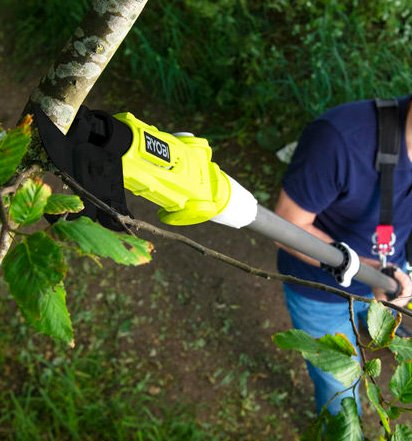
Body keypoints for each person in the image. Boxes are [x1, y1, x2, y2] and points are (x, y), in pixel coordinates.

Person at [274, 95, 412, 416]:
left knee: (380, 330)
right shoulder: (340, 139)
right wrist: (373, 271)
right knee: (342, 388)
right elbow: (286, 225)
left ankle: (373, 321)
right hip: (319, 292)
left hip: (387, 277)